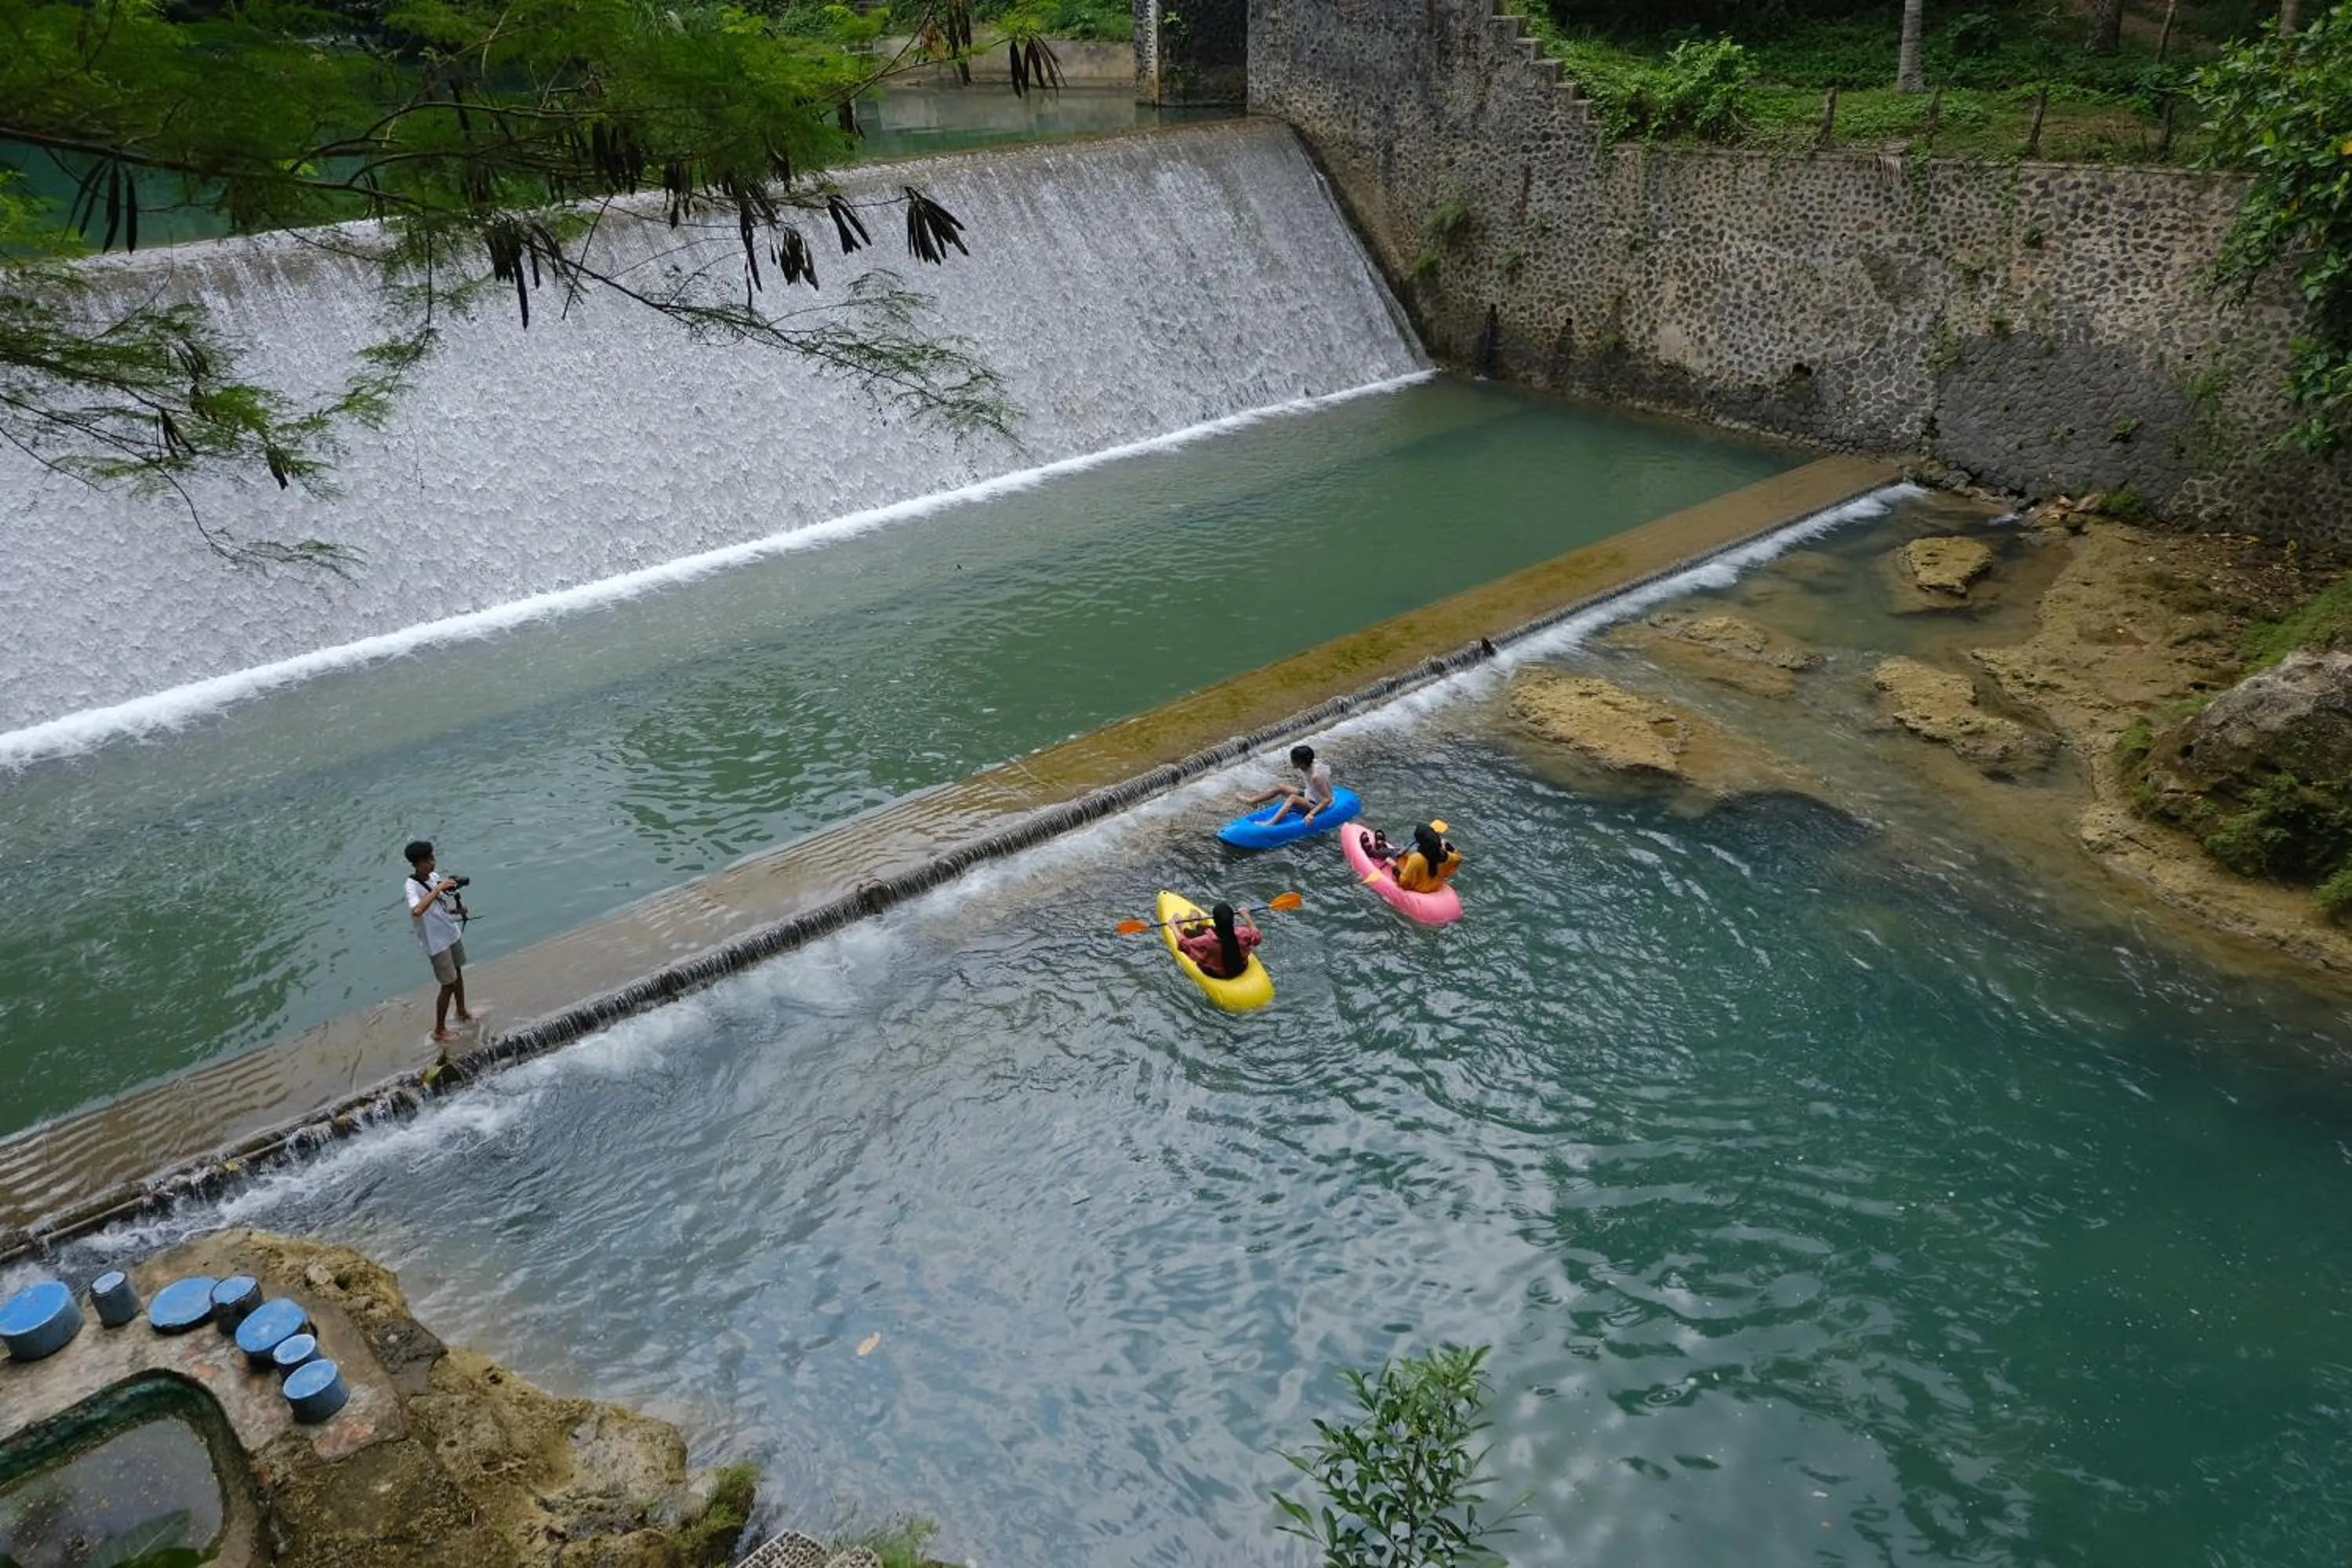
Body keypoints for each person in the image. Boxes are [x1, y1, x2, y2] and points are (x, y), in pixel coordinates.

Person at [403, 840, 474, 1045]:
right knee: (447, 984)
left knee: (458, 973)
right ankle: (439, 1030)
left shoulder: (433, 877)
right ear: (416, 864)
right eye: (427, 861)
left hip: (450, 933)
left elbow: (438, 908)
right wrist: (438, 889)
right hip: (436, 943)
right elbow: (417, 911)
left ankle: (462, 1011)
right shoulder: (411, 886)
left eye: (432, 858)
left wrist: (457, 911)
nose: (432, 863)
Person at [1242, 744, 1335, 827]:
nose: (1291, 761)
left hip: (1318, 803)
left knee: (1293, 798)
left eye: (1293, 760)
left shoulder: (1316, 776)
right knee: (1281, 787)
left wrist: (1311, 814)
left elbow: (1327, 799)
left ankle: (1270, 823)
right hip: (1311, 794)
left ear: (1301, 762)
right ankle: (1252, 801)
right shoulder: (1308, 763)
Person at [1177, 902, 1262, 980]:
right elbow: (1257, 938)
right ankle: (1196, 923)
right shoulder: (1243, 932)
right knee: (1207, 933)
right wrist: (1246, 916)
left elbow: (1183, 945)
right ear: (1232, 919)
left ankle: (1188, 925)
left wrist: (1173, 926)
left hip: (1215, 974)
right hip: (1242, 968)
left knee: (1198, 934)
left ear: (1214, 920)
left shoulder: (1206, 940)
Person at [1392, 821, 1463, 895]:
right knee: (1406, 856)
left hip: (1420, 889)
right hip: (1436, 886)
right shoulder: (1447, 856)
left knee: (1401, 859)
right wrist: (1448, 845)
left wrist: (1395, 868)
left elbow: (1404, 883)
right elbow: (1459, 858)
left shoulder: (1416, 859)